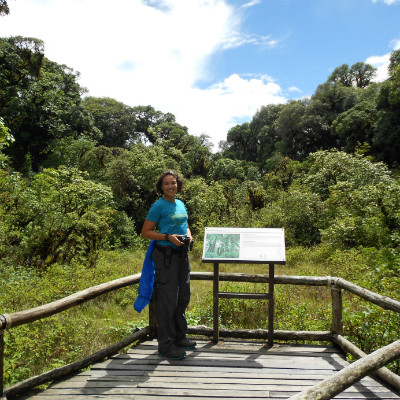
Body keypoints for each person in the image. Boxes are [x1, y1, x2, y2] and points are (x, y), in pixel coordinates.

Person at [141, 170, 196, 360]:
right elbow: (146, 232)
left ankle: (180, 337)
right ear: (161, 187)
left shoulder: (180, 203)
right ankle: (165, 345)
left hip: (182, 255)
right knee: (168, 301)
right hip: (166, 256)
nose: (171, 186)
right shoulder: (158, 206)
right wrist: (167, 237)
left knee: (183, 297)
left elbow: (185, 224)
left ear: (178, 184)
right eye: (166, 184)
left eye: (173, 183)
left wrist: (188, 235)